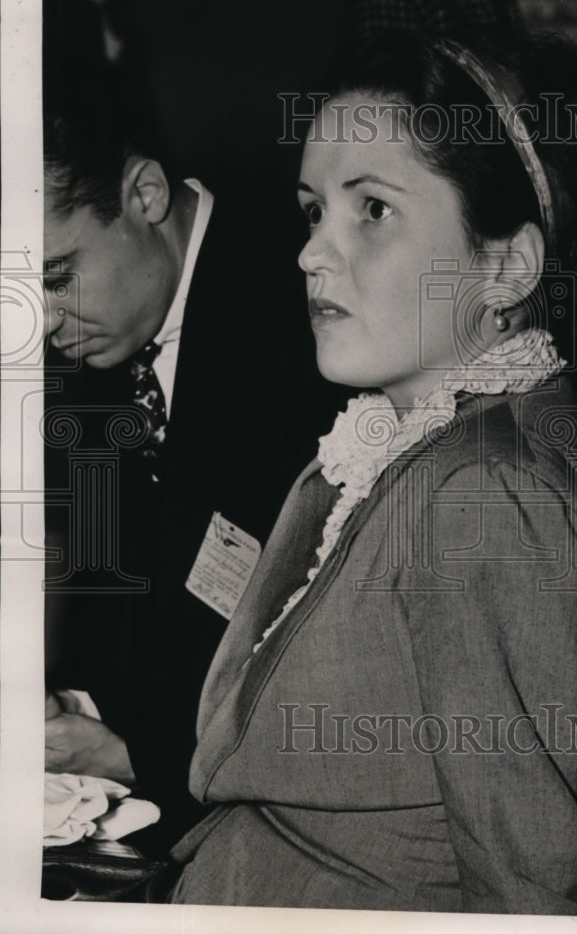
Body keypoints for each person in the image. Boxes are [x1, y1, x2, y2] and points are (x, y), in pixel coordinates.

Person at [167, 33, 577, 913]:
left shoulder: (483, 494)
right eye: (312, 212)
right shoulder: (403, 441)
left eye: (371, 210)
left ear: (505, 265)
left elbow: (530, 880)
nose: (310, 255)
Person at [42, 72, 332, 852]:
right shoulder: (100, 335)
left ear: (144, 194)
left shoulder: (313, 302)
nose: (38, 323)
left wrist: (141, 751)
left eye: (54, 277)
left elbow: (334, 638)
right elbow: (109, 568)